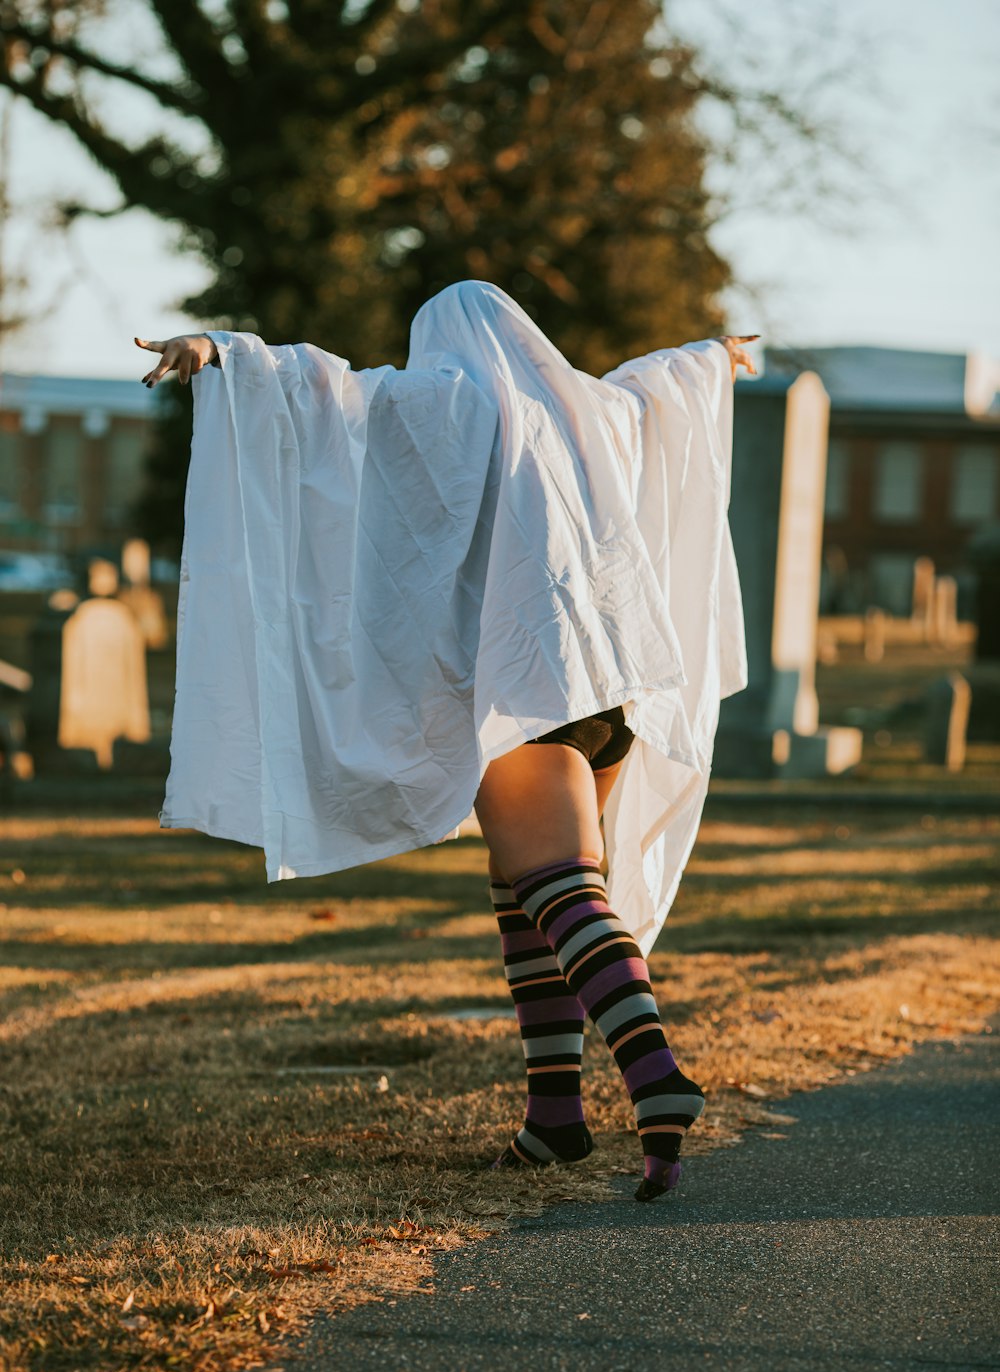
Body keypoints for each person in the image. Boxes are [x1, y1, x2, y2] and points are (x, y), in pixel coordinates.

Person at [136, 280, 756, 1201]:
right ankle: (555, 1119)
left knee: (563, 896)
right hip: (606, 696)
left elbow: (328, 394)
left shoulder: (439, 401)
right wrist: (714, 358)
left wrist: (222, 350)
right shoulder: (584, 411)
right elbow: (654, 389)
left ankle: (656, 1075)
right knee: (526, 895)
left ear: (444, 343)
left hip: (521, 698)